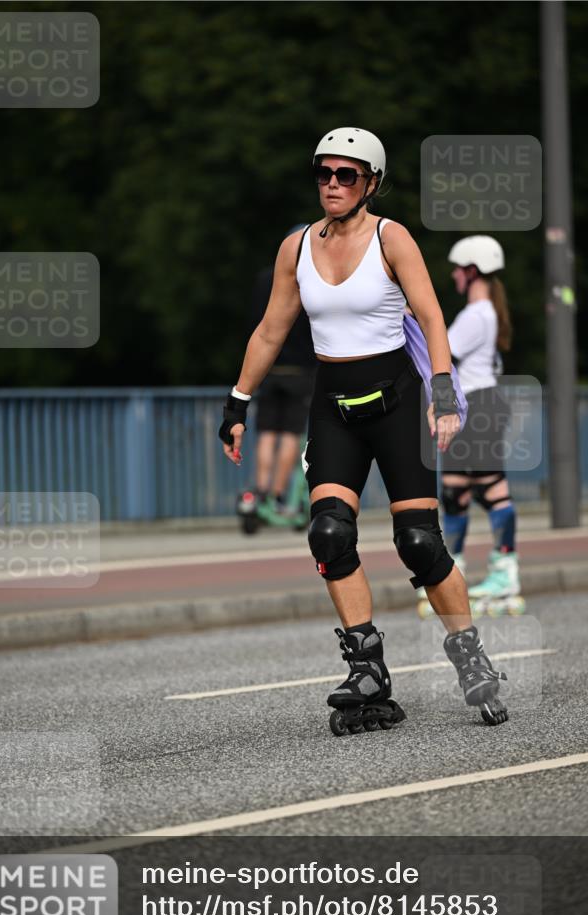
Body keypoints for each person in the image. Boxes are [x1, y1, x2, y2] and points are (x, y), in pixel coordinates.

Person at [219, 127, 508, 731]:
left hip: (398, 402)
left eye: (346, 175)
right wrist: (238, 402)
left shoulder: (390, 237)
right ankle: (368, 669)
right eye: (324, 173)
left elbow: (430, 315)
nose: (332, 184)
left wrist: (445, 393)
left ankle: (470, 654)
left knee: (420, 543)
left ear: (370, 182)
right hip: (334, 404)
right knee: (328, 533)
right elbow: (271, 331)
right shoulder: (296, 247)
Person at [437, 236, 524, 616]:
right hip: (483, 405)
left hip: (476, 407)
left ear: (472, 271)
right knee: (472, 490)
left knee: (474, 491)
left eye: (459, 268)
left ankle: (483, 571)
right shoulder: (486, 311)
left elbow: (442, 355)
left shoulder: (475, 315)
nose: (454, 274)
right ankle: (483, 569)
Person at [246, 226, 316, 520]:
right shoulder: (312, 277)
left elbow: (257, 323)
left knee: (266, 432)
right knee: (290, 434)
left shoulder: (266, 278)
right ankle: (276, 495)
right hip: (300, 368)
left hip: (270, 365)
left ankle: (259, 491)